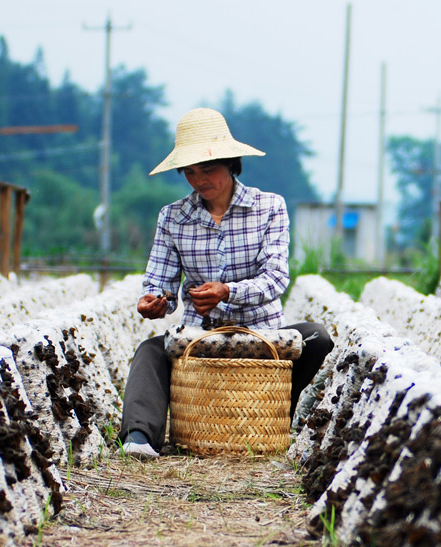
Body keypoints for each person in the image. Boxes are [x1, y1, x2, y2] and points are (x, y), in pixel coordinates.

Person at [119, 107, 333, 458]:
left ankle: (275, 413)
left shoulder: (269, 207)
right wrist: (155, 301)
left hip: (261, 334)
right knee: (150, 351)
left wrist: (228, 291)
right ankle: (140, 437)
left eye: (208, 168)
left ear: (232, 164)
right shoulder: (173, 217)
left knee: (317, 337)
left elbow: (276, 278)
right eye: (189, 171)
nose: (199, 179)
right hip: (200, 337)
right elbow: (160, 282)